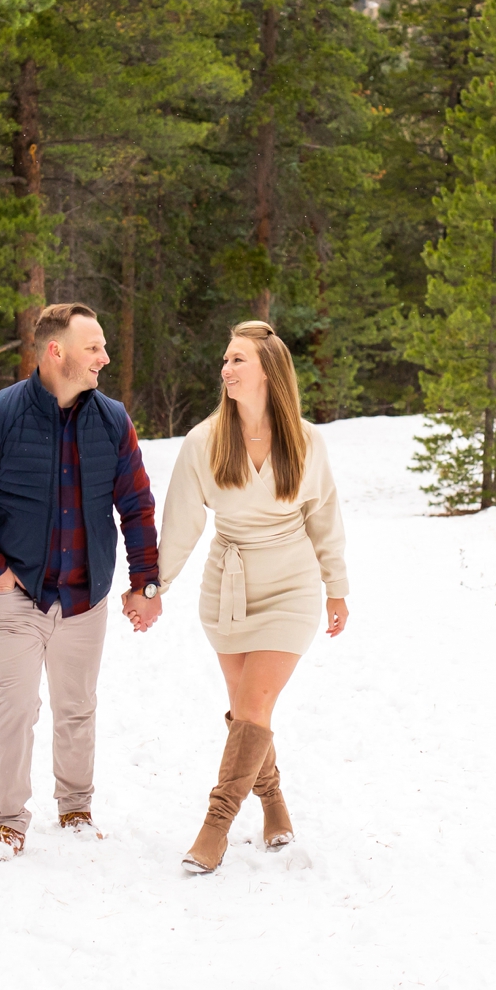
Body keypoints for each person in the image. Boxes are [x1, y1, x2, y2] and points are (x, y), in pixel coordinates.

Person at [0, 303, 162, 861]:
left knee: (76, 707)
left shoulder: (113, 420)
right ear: (55, 352)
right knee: (14, 707)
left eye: (105, 346)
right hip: (16, 596)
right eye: (94, 347)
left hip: (85, 597)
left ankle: (76, 808)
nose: (104, 358)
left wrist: (146, 583)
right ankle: (8, 822)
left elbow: (136, 506)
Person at [148, 319, 350, 874]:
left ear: (269, 372)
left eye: (238, 359)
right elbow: (183, 524)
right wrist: (153, 587)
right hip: (228, 587)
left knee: (254, 706)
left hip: (292, 585)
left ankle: (215, 826)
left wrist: (337, 588)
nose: (226, 368)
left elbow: (325, 519)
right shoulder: (203, 441)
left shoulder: (307, 441)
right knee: (246, 712)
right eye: (226, 359)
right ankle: (275, 804)